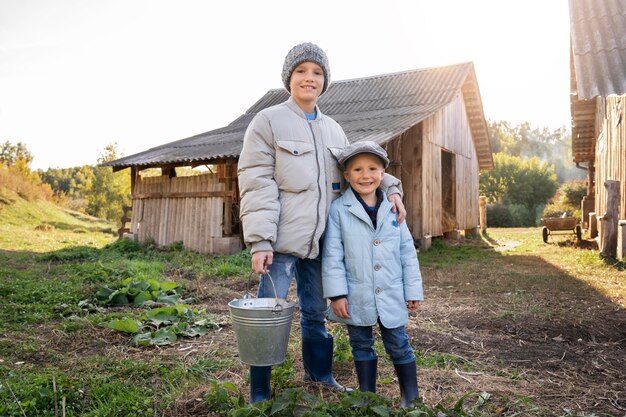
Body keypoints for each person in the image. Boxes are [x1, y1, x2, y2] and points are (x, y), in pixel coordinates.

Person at [237, 42, 407, 403]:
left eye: (317, 73)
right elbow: (256, 182)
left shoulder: (333, 130)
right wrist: (261, 240)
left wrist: (391, 188)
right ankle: (259, 392)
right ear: (289, 78)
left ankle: (320, 376)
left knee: (315, 312)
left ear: (325, 81)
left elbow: (359, 172)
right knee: (269, 314)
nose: (309, 79)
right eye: (301, 72)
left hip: (322, 242)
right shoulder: (268, 122)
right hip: (280, 243)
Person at [322, 141, 423, 407]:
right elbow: (333, 255)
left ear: (382, 174)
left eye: (372, 169)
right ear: (346, 175)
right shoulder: (339, 210)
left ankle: (410, 397)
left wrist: (412, 291)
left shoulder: (393, 208)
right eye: (357, 169)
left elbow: (406, 252)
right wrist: (337, 294)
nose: (365, 175)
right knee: (361, 344)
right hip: (357, 294)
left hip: (391, 291)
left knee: (399, 343)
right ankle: (367, 396)